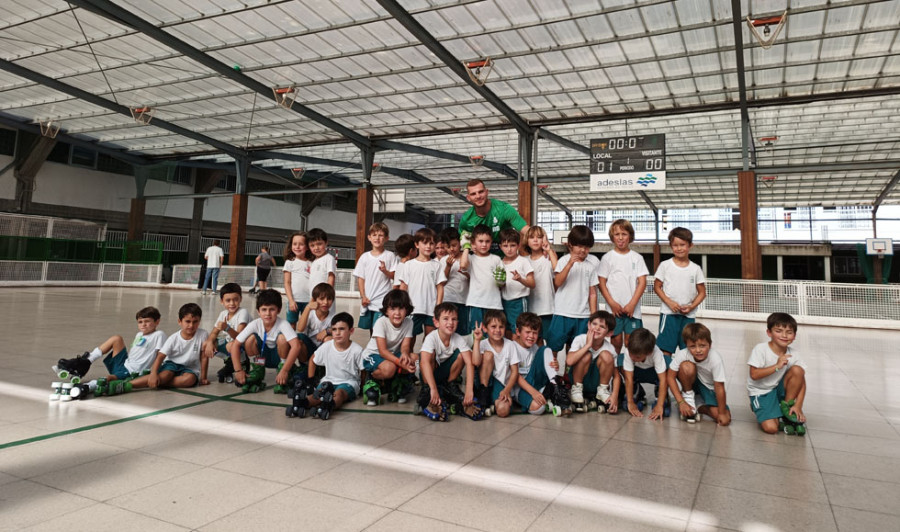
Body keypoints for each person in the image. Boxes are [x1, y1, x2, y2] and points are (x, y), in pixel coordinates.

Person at [54, 307, 165, 396]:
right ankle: (86, 361)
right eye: (140, 322)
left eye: (147, 321)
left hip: (131, 372)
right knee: (117, 339)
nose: (143, 324)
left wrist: (154, 373)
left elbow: (161, 354)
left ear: (157, 322)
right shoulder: (139, 334)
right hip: (124, 363)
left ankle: (89, 386)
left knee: (110, 378)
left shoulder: (159, 335)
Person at [288, 312, 366, 420]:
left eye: (342, 329)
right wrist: (311, 381)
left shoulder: (357, 350)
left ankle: (329, 405)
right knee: (317, 395)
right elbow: (312, 360)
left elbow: (364, 370)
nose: (337, 333)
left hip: (348, 383)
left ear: (351, 331)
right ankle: (302, 402)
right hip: (328, 381)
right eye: (334, 329)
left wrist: (361, 386)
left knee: (339, 394)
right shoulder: (327, 346)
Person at [230, 289, 302, 393]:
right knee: (250, 339)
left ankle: (284, 370)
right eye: (264, 309)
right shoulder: (255, 324)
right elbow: (235, 345)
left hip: (279, 359)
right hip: (262, 360)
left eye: (272, 309)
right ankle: (257, 371)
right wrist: (238, 370)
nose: (267, 313)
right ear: (258, 311)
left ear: (279, 310)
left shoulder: (283, 324)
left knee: (282, 339)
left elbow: (296, 346)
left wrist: (285, 370)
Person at [545, 225, 599, 361]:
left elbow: (592, 293)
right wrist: (569, 264)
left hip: (583, 315)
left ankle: (568, 376)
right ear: (570, 245)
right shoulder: (563, 261)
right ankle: (553, 373)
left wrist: (593, 316)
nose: (583, 250)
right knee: (554, 346)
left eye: (586, 247)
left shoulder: (590, 267)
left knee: (575, 347)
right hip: (562, 312)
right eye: (579, 246)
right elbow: (557, 282)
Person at [748, 313, 808, 435]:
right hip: (761, 392)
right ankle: (759, 407)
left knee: (798, 370)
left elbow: (801, 381)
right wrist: (776, 366)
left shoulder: (794, 354)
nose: (784, 335)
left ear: (794, 336)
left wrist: (798, 405)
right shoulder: (760, 349)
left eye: (789, 332)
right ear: (769, 333)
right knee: (771, 429)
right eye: (779, 331)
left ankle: (786, 407)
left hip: (778, 389)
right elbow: (754, 375)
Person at [417, 302, 479, 421]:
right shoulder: (431, 338)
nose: (450, 323)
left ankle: (449, 386)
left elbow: (469, 362)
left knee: (463, 355)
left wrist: (469, 390)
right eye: (445, 319)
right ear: (436, 322)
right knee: (428, 355)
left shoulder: (458, 338)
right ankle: (427, 391)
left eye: (454, 319)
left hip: (445, 375)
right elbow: (424, 363)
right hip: (430, 375)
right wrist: (433, 389)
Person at [598, 219, 649, 354]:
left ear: (630, 236)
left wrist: (632, 304)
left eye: (624, 234)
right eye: (617, 234)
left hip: (632, 309)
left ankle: (630, 371)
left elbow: (642, 282)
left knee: (631, 342)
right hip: (614, 309)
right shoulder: (607, 258)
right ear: (612, 237)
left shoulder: (637, 258)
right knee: (616, 342)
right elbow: (601, 283)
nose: (620, 237)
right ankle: (616, 371)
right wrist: (612, 303)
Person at [654, 227, 707, 355]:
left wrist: (691, 306)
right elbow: (657, 286)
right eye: (675, 245)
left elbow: (702, 293)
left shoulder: (695, 269)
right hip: (668, 314)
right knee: (665, 350)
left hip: (688, 317)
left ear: (690, 245)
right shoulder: (665, 265)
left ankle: (685, 374)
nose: (679, 248)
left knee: (688, 350)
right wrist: (669, 302)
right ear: (671, 246)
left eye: (682, 245)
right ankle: (665, 374)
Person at [132, 303, 208, 390]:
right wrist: (153, 374)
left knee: (189, 380)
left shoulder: (203, 334)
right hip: (172, 364)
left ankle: (157, 381)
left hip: (190, 368)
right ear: (179, 321)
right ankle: (127, 385)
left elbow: (204, 357)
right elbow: (160, 357)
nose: (191, 325)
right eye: (187, 321)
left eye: (195, 322)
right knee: (166, 375)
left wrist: (203, 377)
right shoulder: (173, 338)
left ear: (199, 321)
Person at [360, 289, 416, 406]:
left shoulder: (409, 323)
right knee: (389, 368)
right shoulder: (381, 322)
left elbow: (405, 346)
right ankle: (372, 378)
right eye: (393, 309)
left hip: (392, 355)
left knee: (413, 358)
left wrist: (405, 355)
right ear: (386, 310)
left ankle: (397, 383)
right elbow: (383, 351)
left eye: (401, 308)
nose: (397, 313)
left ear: (407, 310)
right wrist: (400, 363)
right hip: (374, 355)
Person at [668, 323, 730, 425]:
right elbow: (670, 377)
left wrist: (722, 413)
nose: (698, 350)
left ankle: (698, 404)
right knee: (686, 366)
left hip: (708, 388)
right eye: (692, 346)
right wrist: (681, 402)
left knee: (725, 419)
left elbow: (719, 387)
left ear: (710, 344)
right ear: (686, 346)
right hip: (691, 381)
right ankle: (688, 396)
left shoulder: (715, 359)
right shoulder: (683, 354)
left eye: (702, 346)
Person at [565, 310, 619, 413]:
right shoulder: (580, 339)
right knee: (586, 355)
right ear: (589, 325)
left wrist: (614, 396)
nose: (597, 328)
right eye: (594, 324)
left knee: (606, 355)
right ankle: (576, 390)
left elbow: (616, 376)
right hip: (579, 379)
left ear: (609, 333)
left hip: (596, 383)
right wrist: (587, 346)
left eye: (602, 327)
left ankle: (602, 391)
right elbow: (569, 361)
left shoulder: (610, 348)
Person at [397, 227, 447, 339]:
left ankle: (426, 357)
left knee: (430, 338)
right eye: (424, 243)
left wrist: (438, 306)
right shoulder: (409, 265)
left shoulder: (437, 265)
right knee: (409, 338)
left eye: (431, 243)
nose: (428, 246)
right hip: (413, 308)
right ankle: (409, 355)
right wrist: (402, 305)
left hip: (431, 309)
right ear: (417, 244)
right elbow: (403, 287)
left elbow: (440, 287)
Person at [472, 310, 520, 418]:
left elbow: (515, 372)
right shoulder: (482, 344)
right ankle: (483, 396)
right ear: (485, 328)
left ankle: (490, 404)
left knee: (503, 411)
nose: (497, 330)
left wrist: (507, 390)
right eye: (493, 326)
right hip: (483, 384)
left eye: (501, 327)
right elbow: (475, 362)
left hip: (501, 385)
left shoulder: (510, 345)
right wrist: (477, 341)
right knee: (488, 355)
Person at [201, 283, 250, 385]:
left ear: (240, 299)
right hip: (230, 344)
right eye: (228, 300)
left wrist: (227, 328)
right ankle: (228, 361)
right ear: (221, 301)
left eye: (235, 299)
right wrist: (210, 342)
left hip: (243, 346)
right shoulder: (223, 314)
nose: (232, 303)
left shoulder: (243, 312)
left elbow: (239, 337)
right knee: (206, 344)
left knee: (231, 345)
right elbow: (214, 332)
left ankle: (243, 364)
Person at [353, 222, 397, 331]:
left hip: (383, 300)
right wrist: (363, 296)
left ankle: (381, 348)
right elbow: (361, 278)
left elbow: (395, 276)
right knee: (372, 331)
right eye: (374, 235)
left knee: (380, 330)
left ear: (386, 238)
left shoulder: (390, 256)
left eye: (381, 235)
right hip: (368, 300)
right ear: (369, 237)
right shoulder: (364, 257)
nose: (377, 238)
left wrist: (385, 271)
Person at [618, 328, 671, 420]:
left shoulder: (656, 352)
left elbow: (663, 380)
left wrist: (659, 405)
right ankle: (637, 390)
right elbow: (628, 378)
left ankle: (661, 394)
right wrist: (630, 402)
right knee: (626, 406)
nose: (633, 358)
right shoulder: (628, 351)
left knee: (665, 412)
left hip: (654, 375)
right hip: (637, 374)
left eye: (637, 356)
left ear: (649, 353)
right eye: (631, 354)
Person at [458, 178, 529, 245]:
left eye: (481, 192)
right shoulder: (466, 219)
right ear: (468, 198)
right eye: (473, 194)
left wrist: (537, 239)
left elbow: (526, 230)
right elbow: (460, 241)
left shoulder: (504, 209)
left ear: (486, 192)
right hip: (479, 256)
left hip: (505, 256)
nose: (478, 196)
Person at [513, 312, 559, 415]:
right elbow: (516, 376)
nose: (531, 336)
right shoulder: (512, 347)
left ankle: (556, 386)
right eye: (528, 332)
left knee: (545, 349)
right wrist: (534, 393)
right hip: (520, 389)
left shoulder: (536, 348)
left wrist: (554, 365)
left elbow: (542, 369)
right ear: (518, 332)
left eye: (535, 332)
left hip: (535, 383)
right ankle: (548, 394)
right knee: (539, 409)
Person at [460, 223, 504, 330]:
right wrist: (466, 247)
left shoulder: (496, 259)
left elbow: (502, 284)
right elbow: (463, 265)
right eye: (480, 241)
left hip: (494, 304)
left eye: (487, 241)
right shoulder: (471, 258)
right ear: (474, 242)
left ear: (491, 242)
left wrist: (501, 282)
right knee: (476, 334)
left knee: (493, 334)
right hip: (476, 303)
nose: (484, 244)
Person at [499, 228, 534, 336]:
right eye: (505, 246)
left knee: (518, 333)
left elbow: (532, 283)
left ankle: (519, 353)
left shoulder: (523, 261)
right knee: (506, 332)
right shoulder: (499, 263)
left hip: (518, 302)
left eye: (512, 245)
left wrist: (520, 279)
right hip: (503, 302)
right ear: (500, 246)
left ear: (518, 245)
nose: (509, 249)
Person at [525, 226, 557, 339]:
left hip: (548, 307)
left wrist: (549, 250)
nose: (535, 240)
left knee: (550, 341)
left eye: (539, 237)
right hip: (531, 308)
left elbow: (557, 269)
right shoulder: (524, 261)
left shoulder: (549, 257)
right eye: (532, 237)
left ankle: (551, 358)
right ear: (526, 240)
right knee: (535, 340)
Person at [296, 283, 337, 369]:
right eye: (321, 299)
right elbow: (300, 329)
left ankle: (323, 367)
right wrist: (308, 308)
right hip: (309, 349)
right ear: (314, 300)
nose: (325, 302)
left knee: (329, 339)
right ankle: (304, 367)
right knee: (299, 338)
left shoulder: (333, 317)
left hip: (323, 350)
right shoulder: (310, 314)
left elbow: (341, 329)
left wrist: (326, 331)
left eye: (329, 299)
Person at [438, 228, 470, 334]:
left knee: (462, 329)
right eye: (448, 247)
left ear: (460, 243)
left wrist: (465, 273)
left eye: (454, 245)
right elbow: (443, 281)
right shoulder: (443, 260)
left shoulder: (467, 258)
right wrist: (448, 266)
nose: (451, 249)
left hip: (463, 300)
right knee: (447, 329)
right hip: (448, 298)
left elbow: (473, 279)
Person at [283, 232, 312, 329]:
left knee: (307, 325)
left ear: (307, 247)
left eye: (301, 244)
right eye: (294, 244)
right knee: (291, 324)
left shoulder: (312, 263)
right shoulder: (289, 262)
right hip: (294, 301)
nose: (297, 247)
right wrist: (291, 300)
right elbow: (287, 283)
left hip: (309, 301)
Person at [307, 228, 335, 297]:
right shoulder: (313, 262)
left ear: (326, 243)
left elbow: (331, 277)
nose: (316, 248)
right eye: (312, 245)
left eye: (319, 244)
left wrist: (327, 295)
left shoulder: (329, 258)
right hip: (314, 297)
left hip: (324, 297)